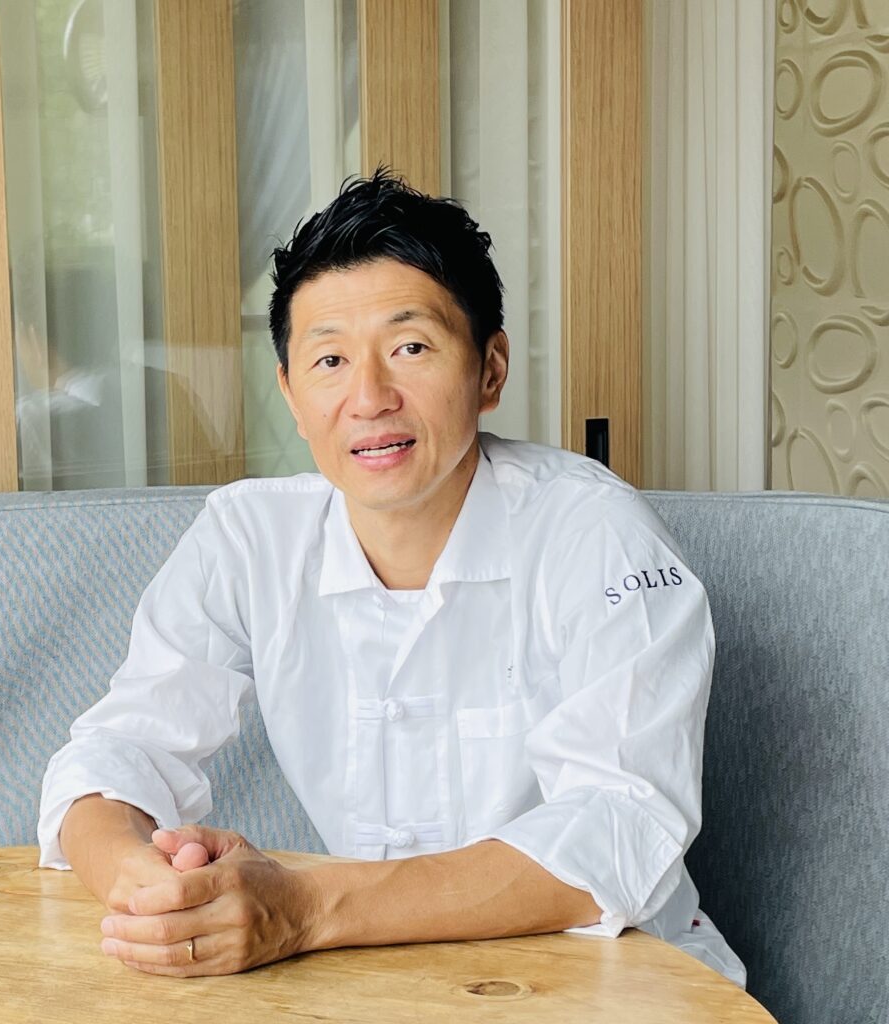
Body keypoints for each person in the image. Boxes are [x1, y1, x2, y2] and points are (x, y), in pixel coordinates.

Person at [37, 168, 747, 986]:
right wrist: (148, 884)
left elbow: (620, 829)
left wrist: (305, 907)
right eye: (330, 359)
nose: (369, 398)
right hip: (378, 981)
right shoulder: (248, 537)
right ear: (291, 394)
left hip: (621, 981)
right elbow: (119, 749)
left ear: (490, 369)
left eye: (411, 348)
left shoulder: (597, 534)